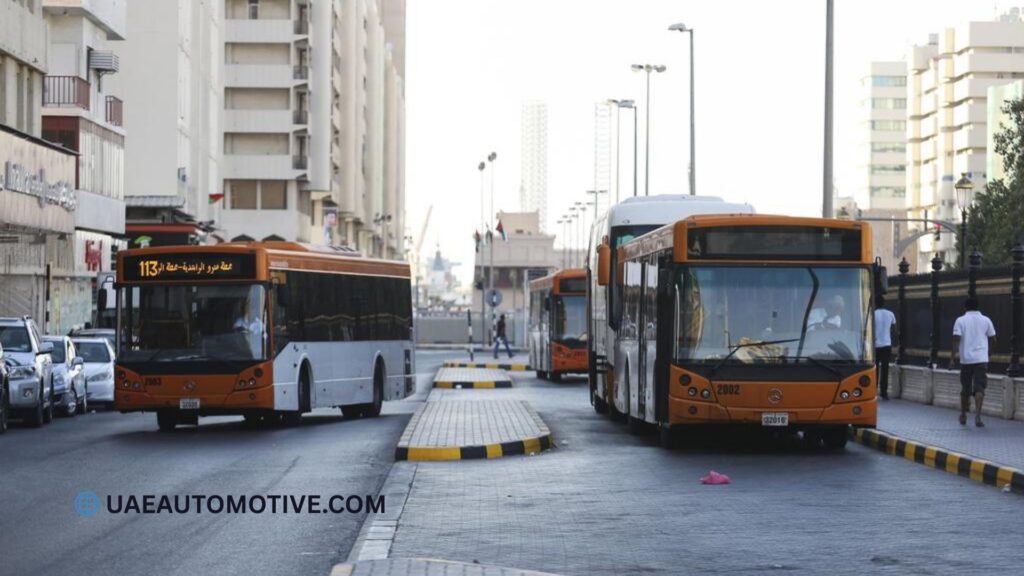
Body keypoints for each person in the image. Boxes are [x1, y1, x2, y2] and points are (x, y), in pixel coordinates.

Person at [950, 297, 996, 427]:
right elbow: (994, 339)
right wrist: (989, 353)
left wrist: (952, 359)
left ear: (965, 307)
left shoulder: (960, 320)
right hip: (981, 359)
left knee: (965, 389)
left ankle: (964, 415)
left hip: (966, 360)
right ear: (978, 306)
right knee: (979, 387)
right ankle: (978, 417)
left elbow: (955, 340)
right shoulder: (986, 320)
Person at [873, 295, 897, 399]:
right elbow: (894, 329)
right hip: (887, 344)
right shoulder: (890, 314)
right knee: (885, 369)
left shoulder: (873, 314)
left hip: (876, 345)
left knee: (875, 369)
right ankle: (884, 392)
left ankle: (873, 391)